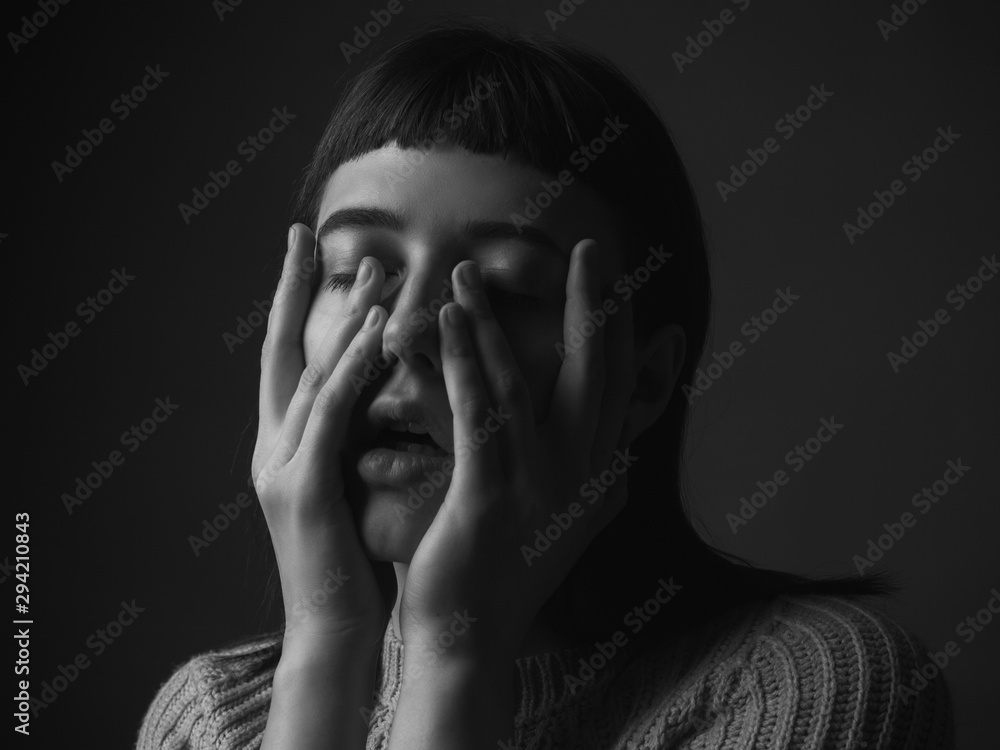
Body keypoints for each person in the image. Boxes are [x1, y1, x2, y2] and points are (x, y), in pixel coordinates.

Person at [135, 18, 954, 750]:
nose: (404, 330)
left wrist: (456, 657)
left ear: (641, 382)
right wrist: (326, 646)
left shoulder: (810, 688)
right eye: (355, 272)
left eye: (500, 286)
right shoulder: (210, 723)